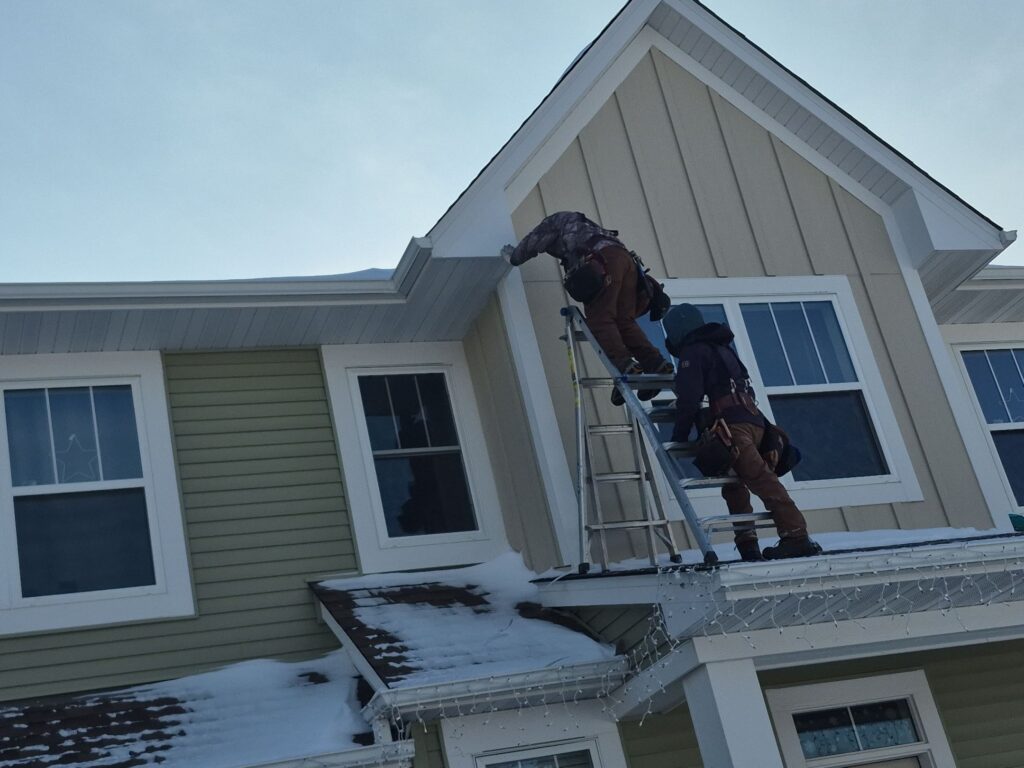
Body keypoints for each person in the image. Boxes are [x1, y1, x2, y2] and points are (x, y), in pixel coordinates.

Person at [662, 303, 821, 561]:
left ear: (678, 332)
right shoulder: (724, 349)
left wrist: (679, 436)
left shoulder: (694, 352)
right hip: (754, 422)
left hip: (733, 428)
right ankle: (748, 546)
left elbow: (689, 399)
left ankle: (796, 536)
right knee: (734, 483)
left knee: (760, 478)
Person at [502, 211, 672, 405]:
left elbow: (535, 240)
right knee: (624, 321)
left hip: (603, 262)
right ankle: (655, 363)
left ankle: (624, 366)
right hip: (626, 261)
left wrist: (513, 257)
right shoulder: (588, 227)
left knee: (600, 319)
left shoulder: (556, 221)